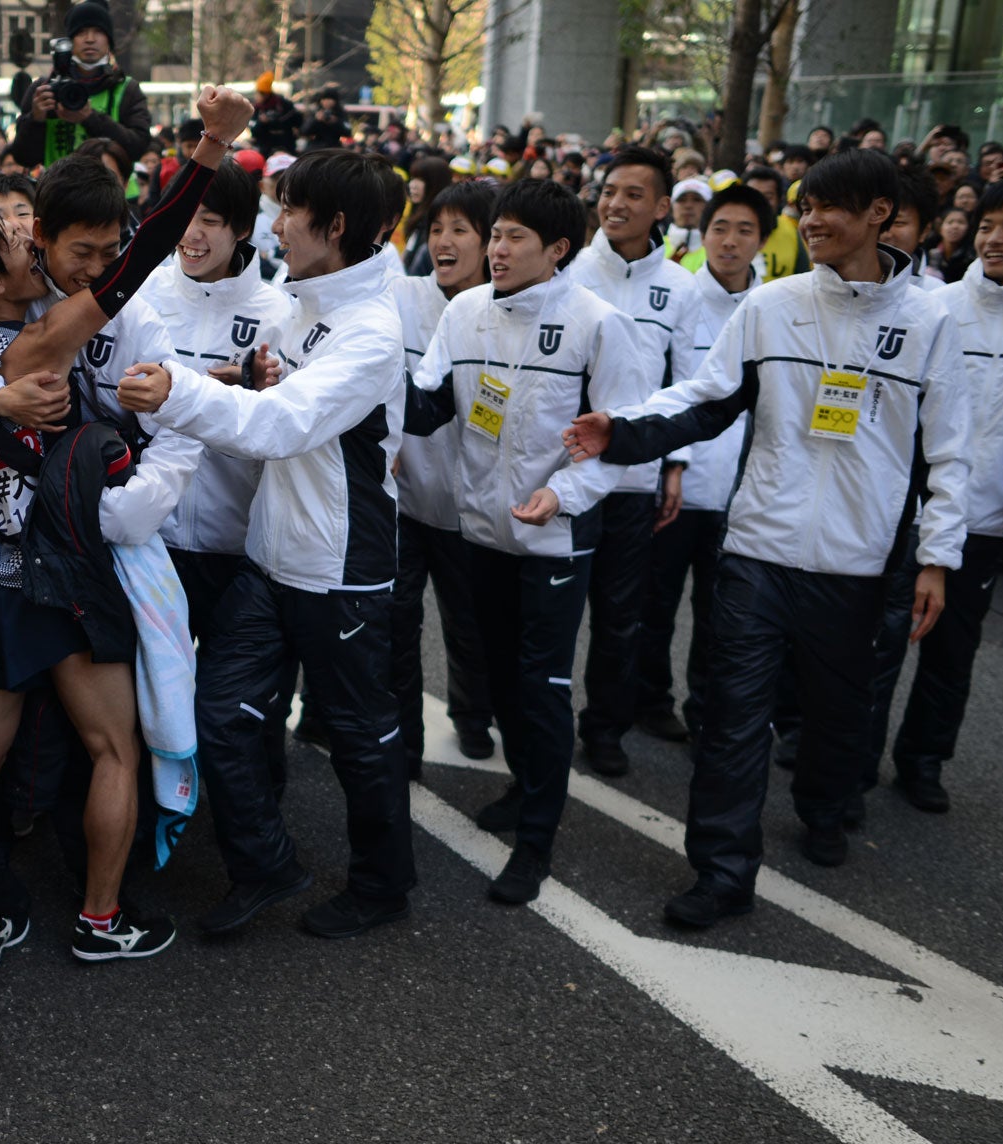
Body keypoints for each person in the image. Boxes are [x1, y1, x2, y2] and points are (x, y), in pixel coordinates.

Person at [561, 148, 970, 929]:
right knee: (733, 717)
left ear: (880, 214)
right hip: (756, 549)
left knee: (836, 711)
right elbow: (704, 398)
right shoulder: (773, 305)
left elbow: (951, 449)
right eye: (805, 206)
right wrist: (624, 430)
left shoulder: (932, 318)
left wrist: (937, 557)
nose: (810, 220)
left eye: (829, 208)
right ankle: (721, 870)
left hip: (859, 561)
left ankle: (823, 803)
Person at [0, 86, 251, 967]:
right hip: (66, 568)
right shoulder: (42, 339)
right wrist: (208, 148)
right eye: (14, 244)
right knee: (115, 750)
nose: (27, 242)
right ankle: (100, 920)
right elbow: (147, 252)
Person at [114, 146, 418, 938]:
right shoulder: (299, 299)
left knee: (358, 734)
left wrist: (179, 389)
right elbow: (266, 379)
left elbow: (284, 426)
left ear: (337, 225)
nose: (276, 225)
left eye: (288, 211)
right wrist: (234, 375)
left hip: (341, 569)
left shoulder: (372, 331)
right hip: (268, 555)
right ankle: (266, 864)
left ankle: (385, 884)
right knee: (218, 714)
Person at [396, 178, 656, 906]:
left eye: (514, 237)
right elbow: (425, 404)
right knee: (501, 675)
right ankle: (522, 787)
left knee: (541, 688)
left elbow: (623, 440)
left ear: (558, 249)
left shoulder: (598, 324)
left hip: (554, 539)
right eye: (497, 234)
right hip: (481, 530)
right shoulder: (467, 314)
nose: (498, 249)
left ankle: (536, 840)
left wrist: (562, 496)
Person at [860, 175, 1003, 813]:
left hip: (989, 518)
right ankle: (852, 763)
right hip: (907, 510)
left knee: (951, 651)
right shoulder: (932, 306)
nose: (993, 239)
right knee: (879, 643)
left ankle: (923, 760)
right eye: (988, 225)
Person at [568, 144, 701, 780]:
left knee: (621, 617)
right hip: (564, 474)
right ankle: (532, 721)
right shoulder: (566, 270)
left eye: (633, 195)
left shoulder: (681, 288)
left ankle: (605, 728)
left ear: (662, 208)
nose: (616, 204)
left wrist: (673, 464)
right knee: (552, 611)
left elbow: (689, 384)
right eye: (609, 190)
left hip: (635, 478)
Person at [635, 183, 773, 747]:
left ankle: (707, 707)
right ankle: (650, 699)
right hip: (680, 480)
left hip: (741, 488)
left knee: (723, 614)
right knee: (657, 602)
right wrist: (673, 461)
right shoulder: (683, 297)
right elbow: (671, 386)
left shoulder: (773, 308)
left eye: (745, 230)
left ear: (763, 239)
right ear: (704, 234)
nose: (730, 242)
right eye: (720, 228)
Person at [135, 156, 293, 639]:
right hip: (149, 536)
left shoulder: (277, 312)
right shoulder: (143, 293)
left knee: (219, 698)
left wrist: (258, 389)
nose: (192, 234)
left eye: (210, 220)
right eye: (185, 216)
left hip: (235, 544)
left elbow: (286, 421)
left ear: (243, 228)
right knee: (155, 699)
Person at [389, 179, 496, 772]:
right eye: (436, 230)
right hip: (404, 500)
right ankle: (404, 744)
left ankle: (473, 717)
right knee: (398, 624)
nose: (444, 243)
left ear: (491, 243)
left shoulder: (503, 311)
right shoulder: (403, 298)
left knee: (470, 624)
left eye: (461, 230)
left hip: (472, 509)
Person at [8, 2, 152, 171]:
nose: (89, 39)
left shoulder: (127, 89)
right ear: (69, 41)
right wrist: (36, 119)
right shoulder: (44, 89)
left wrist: (90, 118)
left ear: (109, 40)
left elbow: (138, 148)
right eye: (81, 32)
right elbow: (23, 157)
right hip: (58, 192)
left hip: (115, 194)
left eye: (98, 31)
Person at [248, 72, 302, 155]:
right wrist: (261, 122)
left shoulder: (283, 104)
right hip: (265, 147)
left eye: (258, 93)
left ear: (265, 94)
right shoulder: (257, 109)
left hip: (285, 145)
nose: (256, 97)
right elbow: (253, 129)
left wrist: (273, 122)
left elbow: (295, 120)